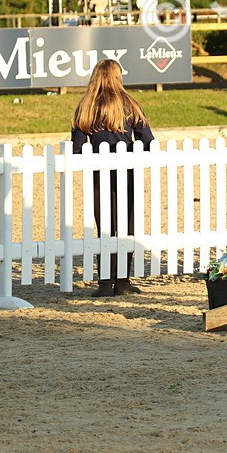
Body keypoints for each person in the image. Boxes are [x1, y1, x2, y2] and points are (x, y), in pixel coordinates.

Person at [71, 58, 155, 297]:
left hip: (99, 176)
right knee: (126, 227)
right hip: (127, 173)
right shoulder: (129, 105)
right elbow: (148, 141)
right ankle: (123, 281)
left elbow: (77, 148)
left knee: (105, 227)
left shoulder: (86, 107)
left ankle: (105, 282)